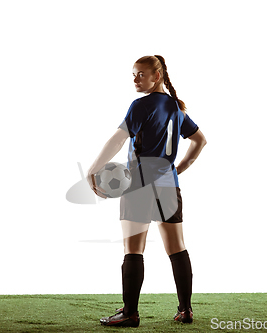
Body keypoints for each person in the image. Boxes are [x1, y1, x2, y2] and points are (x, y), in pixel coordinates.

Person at [87, 55, 207, 327]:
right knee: (177, 248)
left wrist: (93, 170)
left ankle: (130, 313)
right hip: (168, 184)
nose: (135, 79)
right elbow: (200, 140)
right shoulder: (176, 108)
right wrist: (178, 169)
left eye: (141, 74)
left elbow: (118, 139)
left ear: (158, 76)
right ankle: (185, 310)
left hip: (139, 183)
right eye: (133, 74)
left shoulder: (140, 106)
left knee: (133, 249)